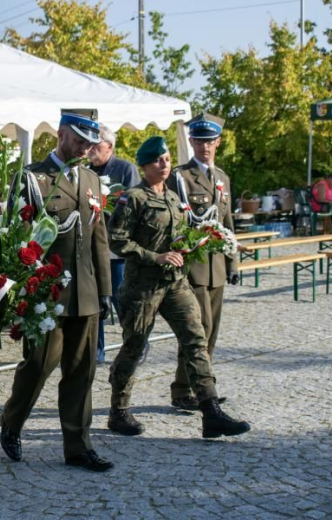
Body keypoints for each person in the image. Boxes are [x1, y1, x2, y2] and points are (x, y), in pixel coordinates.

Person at [107, 136, 250, 439]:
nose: (164, 164)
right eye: (157, 160)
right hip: (142, 287)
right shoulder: (133, 197)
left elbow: (180, 233)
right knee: (134, 347)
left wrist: (196, 243)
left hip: (175, 282)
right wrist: (154, 255)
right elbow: (117, 240)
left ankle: (210, 411)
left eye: (167, 159)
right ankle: (118, 410)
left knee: (196, 340)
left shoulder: (173, 197)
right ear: (144, 165)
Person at [0, 109, 113, 472]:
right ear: (61, 133)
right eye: (80, 140)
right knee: (39, 364)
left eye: (91, 143)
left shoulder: (92, 181)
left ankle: (78, 445)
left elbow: (99, 238)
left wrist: (106, 290)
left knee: (82, 371)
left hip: (87, 291)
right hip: (46, 292)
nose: (85, 148)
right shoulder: (33, 179)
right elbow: (17, 238)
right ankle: (12, 423)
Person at [166, 113, 239, 410]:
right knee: (199, 328)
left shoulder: (222, 178)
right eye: (198, 140)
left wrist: (233, 262)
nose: (204, 146)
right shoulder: (180, 177)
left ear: (218, 142)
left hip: (217, 267)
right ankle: (192, 390)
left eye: (209, 141)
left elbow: (228, 221)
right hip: (192, 266)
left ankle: (192, 388)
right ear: (191, 142)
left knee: (212, 331)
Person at [88, 125, 141, 364]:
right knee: (95, 302)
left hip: (117, 250)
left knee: (122, 301)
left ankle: (135, 346)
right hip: (91, 249)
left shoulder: (125, 169)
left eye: (96, 145)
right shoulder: (84, 170)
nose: (90, 150)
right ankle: (95, 352)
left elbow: (135, 203)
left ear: (109, 147)